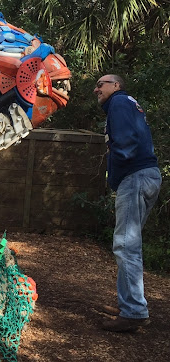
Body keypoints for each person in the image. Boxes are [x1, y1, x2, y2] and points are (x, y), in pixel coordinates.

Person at [93, 74, 161, 332]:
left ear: (116, 85)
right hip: (145, 176)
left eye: (101, 84)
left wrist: (117, 170)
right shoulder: (126, 104)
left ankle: (133, 311)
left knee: (125, 245)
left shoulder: (119, 102)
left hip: (135, 176)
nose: (96, 89)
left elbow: (125, 144)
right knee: (129, 244)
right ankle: (128, 305)